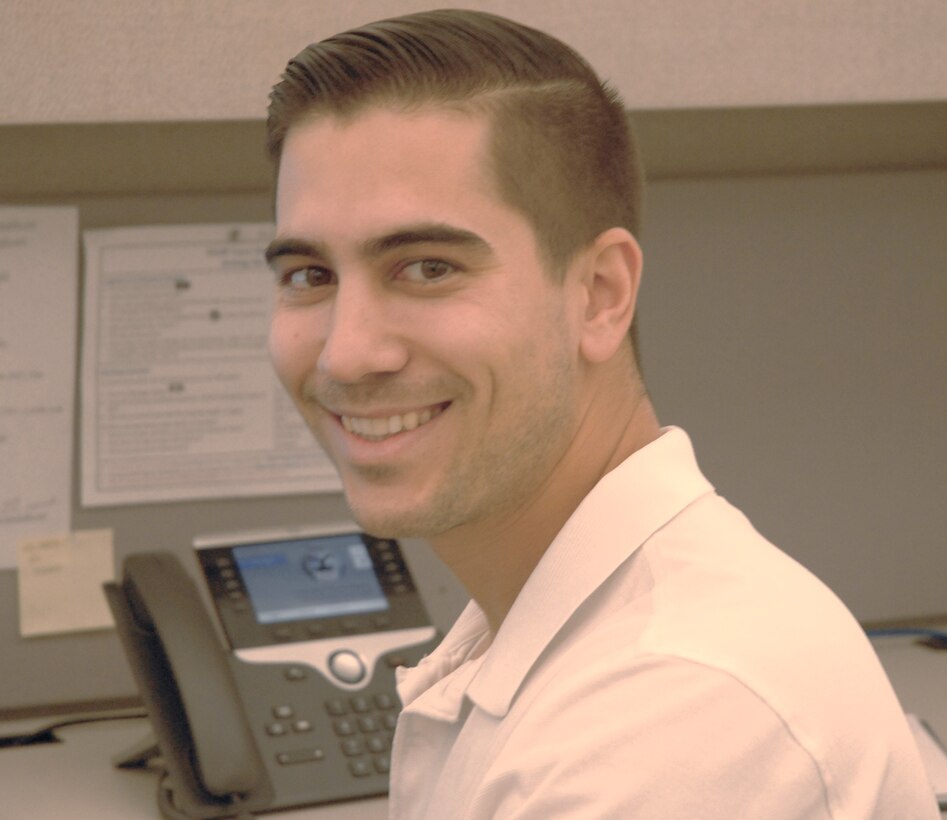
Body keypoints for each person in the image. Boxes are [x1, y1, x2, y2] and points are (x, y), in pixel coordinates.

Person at [262, 9, 937, 819]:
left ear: (599, 295)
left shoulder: (674, 723)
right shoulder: (555, 617)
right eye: (309, 275)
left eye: (426, 267)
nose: (345, 353)